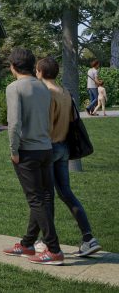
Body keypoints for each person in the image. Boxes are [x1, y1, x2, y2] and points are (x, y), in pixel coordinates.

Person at [2, 47, 63, 265]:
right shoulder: (43, 87)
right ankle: (27, 244)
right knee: (44, 198)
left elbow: (14, 123)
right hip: (46, 149)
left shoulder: (14, 88)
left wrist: (13, 150)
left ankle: (54, 250)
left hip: (27, 152)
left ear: (13, 67)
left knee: (36, 200)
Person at [35, 56, 101, 257]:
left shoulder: (46, 93)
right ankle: (88, 237)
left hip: (50, 147)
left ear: (41, 72)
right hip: (64, 147)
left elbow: (46, 125)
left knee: (46, 197)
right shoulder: (65, 92)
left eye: (37, 70)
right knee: (66, 193)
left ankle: (47, 242)